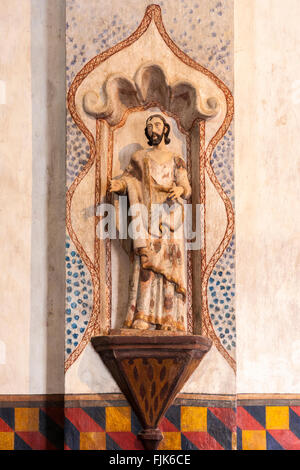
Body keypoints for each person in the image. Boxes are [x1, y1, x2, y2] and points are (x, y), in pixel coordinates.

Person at [109, 114, 191, 332]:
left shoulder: (176, 160)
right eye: (149, 127)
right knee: (146, 264)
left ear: (165, 129)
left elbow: (186, 186)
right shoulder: (139, 157)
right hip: (146, 216)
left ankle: (169, 319)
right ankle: (142, 315)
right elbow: (128, 179)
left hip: (170, 216)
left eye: (156, 125)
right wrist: (121, 187)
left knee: (169, 266)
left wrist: (180, 189)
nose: (153, 129)